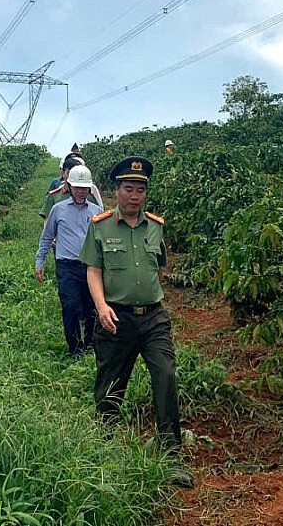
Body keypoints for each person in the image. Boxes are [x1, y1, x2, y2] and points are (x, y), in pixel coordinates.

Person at [78, 156, 193, 487]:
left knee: (166, 376)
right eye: (128, 189)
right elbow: (93, 270)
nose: (134, 196)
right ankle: (104, 450)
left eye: (140, 190)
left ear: (146, 193)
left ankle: (171, 456)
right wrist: (101, 306)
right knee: (111, 385)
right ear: (116, 191)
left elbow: (160, 266)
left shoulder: (156, 226)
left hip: (153, 317)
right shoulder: (100, 226)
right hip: (115, 318)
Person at [35, 164, 102, 358]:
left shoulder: (97, 211)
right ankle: (75, 348)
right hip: (67, 266)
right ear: (69, 186)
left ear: (89, 189)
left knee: (91, 307)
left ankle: (90, 344)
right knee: (71, 306)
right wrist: (40, 260)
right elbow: (47, 236)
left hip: (90, 267)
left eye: (84, 188)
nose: (81, 192)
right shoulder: (58, 209)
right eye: (77, 188)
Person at [41, 154, 102, 219]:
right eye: (69, 173)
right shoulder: (55, 197)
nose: (80, 191)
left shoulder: (90, 196)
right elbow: (48, 223)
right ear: (62, 172)